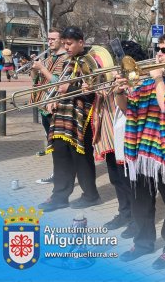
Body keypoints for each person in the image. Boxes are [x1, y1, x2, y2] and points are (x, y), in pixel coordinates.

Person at [115, 33, 165, 269]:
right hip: (142, 152)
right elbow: (128, 108)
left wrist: (159, 79)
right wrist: (119, 91)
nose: (158, 54)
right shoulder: (148, 80)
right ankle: (143, 243)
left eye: (163, 50)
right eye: (157, 49)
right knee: (141, 201)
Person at [37, 26, 101, 212]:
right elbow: (60, 85)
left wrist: (68, 90)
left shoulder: (89, 60)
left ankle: (91, 195)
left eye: (70, 43)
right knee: (60, 156)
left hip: (81, 115)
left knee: (81, 157)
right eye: (64, 43)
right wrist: (53, 100)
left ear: (81, 42)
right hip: (62, 114)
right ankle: (59, 196)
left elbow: (92, 91)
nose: (67, 47)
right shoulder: (68, 61)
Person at [92, 41, 147, 240]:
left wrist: (122, 88)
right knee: (116, 179)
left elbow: (132, 106)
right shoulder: (114, 77)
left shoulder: (138, 78)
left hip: (130, 137)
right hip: (110, 135)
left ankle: (135, 218)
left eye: (119, 61)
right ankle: (124, 213)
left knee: (129, 182)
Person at [33, 27, 68, 170]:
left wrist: (42, 68)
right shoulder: (47, 59)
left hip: (56, 106)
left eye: (53, 39)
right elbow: (35, 80)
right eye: (48, 39)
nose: (50, 42)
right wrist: (35, 69)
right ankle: (58, 174)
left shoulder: (66, 58)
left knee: (59, 146)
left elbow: (58, 82)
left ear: (61, 40)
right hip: (44, 106)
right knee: (51, 144)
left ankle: (61, 175)